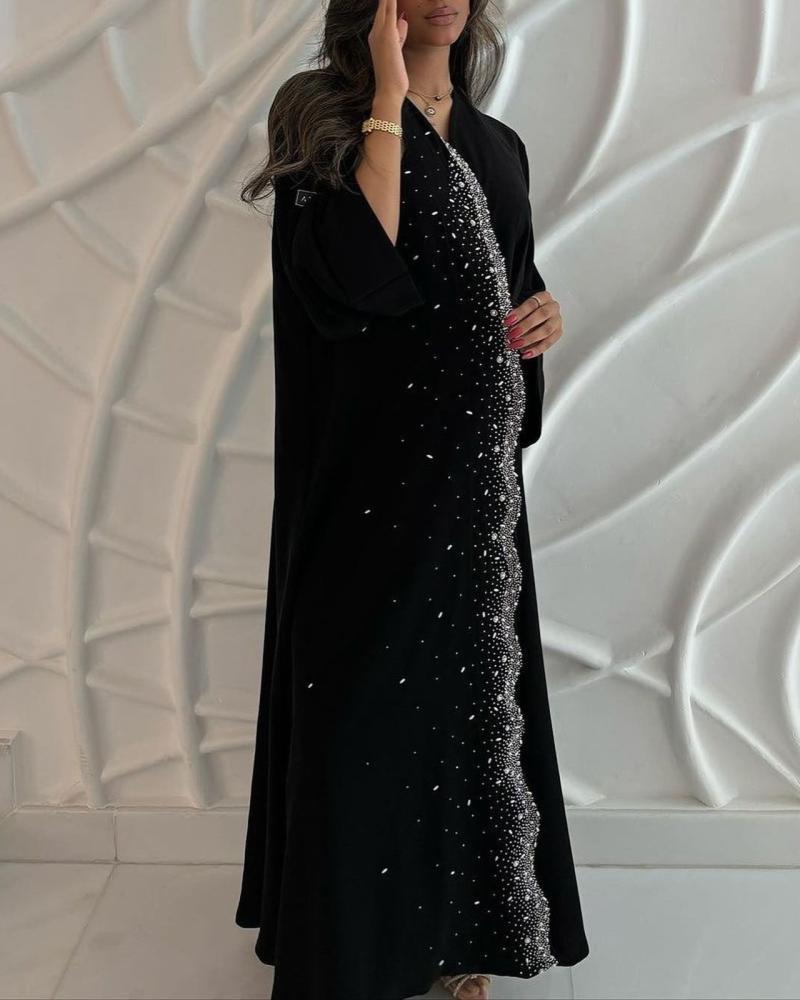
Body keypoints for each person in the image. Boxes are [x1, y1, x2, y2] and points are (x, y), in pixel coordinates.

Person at [234, 1, 589, 998]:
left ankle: (460, 938)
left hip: (472, 476)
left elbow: (508, 279)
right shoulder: (321, 112)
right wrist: (387, 92)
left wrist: (542, 313)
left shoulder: (496, 144)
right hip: (367, 469)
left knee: (465, 705)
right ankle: (356, 954)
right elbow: (357, 274)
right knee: (359, 707)